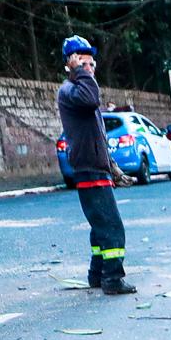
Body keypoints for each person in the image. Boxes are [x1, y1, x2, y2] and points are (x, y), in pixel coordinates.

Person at [56, 36, 132, 294]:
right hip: (88, 168)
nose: (90, 69)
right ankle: (112, 279)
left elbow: (97, 135)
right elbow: (91, 98)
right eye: (83, 63)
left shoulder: (80, 90)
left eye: (91, 64)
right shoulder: (71, 91)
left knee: (100, 227)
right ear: (70, 65)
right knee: (112, 227)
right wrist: (78, 72)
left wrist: (112, 167)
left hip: (96, 167)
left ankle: (97, 275)